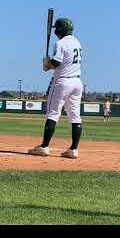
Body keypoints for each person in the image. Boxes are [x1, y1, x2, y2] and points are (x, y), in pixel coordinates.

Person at [28, 17, 83, 159]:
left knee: (53, 113)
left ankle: (44, 146)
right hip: (77, 82)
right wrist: (48, 63)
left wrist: (46, 65)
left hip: (62, 82)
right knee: (75, 116)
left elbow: (56, 62)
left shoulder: (60, 43)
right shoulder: (77, 42)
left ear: (59, 30)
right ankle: (73, 149)